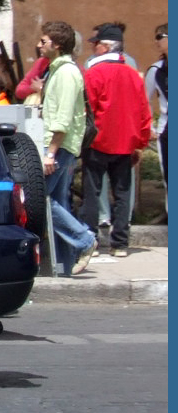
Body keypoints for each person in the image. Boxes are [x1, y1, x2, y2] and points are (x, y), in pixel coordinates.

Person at [79, 23, 152, 258]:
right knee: (122, 194)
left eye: (97, 44)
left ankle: (92, 240)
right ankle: (120, 243)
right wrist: (140, 142)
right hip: (125, 143)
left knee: (92, 192)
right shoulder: (134, 75)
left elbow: (88, 109)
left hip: (98, 141)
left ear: (105, 47)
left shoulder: (93, 74)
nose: (94, 49)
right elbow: (143, 111)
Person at [39, 21, 98, 276]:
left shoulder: (65, 73)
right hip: (62, 145)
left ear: (57, 44)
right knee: (59, 200)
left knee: (40, 200)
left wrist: (50, 152)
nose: (39, 44)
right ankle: (65, 261)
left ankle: (84, 240)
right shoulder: (58, 70)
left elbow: (61, 118)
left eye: (44, 40)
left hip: (58, 146)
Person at [144, 23, 167, 217]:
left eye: (160, 37)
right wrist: (150, 125)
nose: (156, 41)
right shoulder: (156, 70)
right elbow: (145, 100)